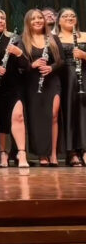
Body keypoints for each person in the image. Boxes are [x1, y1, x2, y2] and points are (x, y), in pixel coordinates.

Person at [21, 8, 63, 166]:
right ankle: (42, 154)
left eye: (40, 18)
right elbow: (20, 65)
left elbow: (61, 61)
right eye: (33, 19)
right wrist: (32, 65)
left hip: (52, 80)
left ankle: (53, 153)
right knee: (37, 118)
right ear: (28, 22)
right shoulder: (22, 40)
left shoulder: (52, 38)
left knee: (53, 115)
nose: (37, 21)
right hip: (33, 82)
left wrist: (51, 67)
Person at [0, 10, 29, 168]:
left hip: (14, 84)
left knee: (18, 116)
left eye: (3, 18)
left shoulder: (14, 39)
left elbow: (25, 65)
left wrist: (19, 53)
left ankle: (21, 153)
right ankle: (2, 152)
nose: (0, 20)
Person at [54, 8, 86, 166]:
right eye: (65, 16)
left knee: (83, 112)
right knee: (68, 112)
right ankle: (71, 152)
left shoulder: (85, 35)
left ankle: (84, 150)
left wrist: (84, 55)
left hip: (83, 76)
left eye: (73, 15)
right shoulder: (54, 38)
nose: (70, 18)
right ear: (59, 20)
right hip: (64, 78)